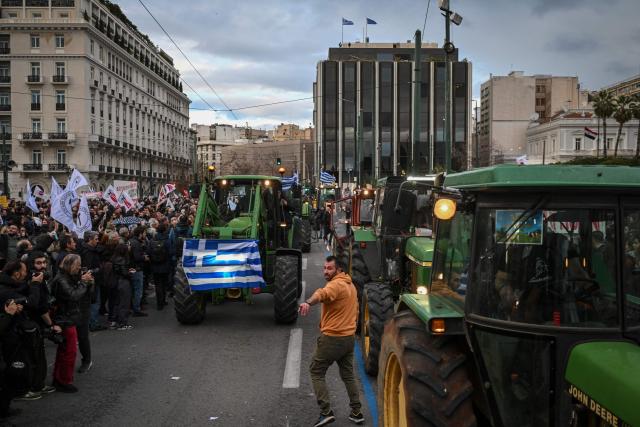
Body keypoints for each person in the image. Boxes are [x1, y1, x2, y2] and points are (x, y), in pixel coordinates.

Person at [298, 256, 364, 426]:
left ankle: (326, 412)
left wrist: (307, 302)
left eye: (329, 268)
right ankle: (357, 412)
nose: (325, 271)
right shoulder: (351, 285)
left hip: (333, 338)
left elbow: (322, 293)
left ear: (339, 270)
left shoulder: (336, 284)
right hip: (348, 339)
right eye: (324, 268)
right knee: (348, 375)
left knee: (316, 371)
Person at [49, 254, 93, 393]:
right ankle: (64, 381)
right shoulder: (62, 279)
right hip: (65, 319)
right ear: (70, 265)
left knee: (65, 351)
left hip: (68, 317)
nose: (79, 268)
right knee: (69, 352)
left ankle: (59, 379)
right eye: (77, 266)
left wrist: (87, 282)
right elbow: (73, 295)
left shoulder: (66, 276)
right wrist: (84, 282)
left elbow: (82, 294)